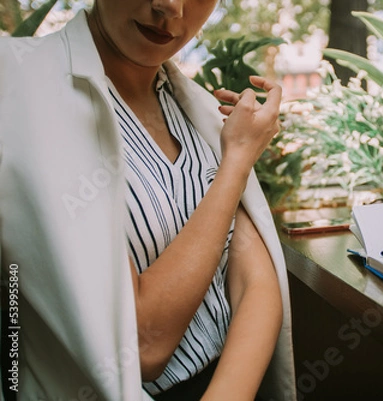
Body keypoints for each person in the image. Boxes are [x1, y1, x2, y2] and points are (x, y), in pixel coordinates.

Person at [0, 1, 296, 400]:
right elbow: (142, 345)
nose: (171, 7)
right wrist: (237, 161)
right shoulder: (19, 85)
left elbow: (254, 283)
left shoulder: (195, 109)